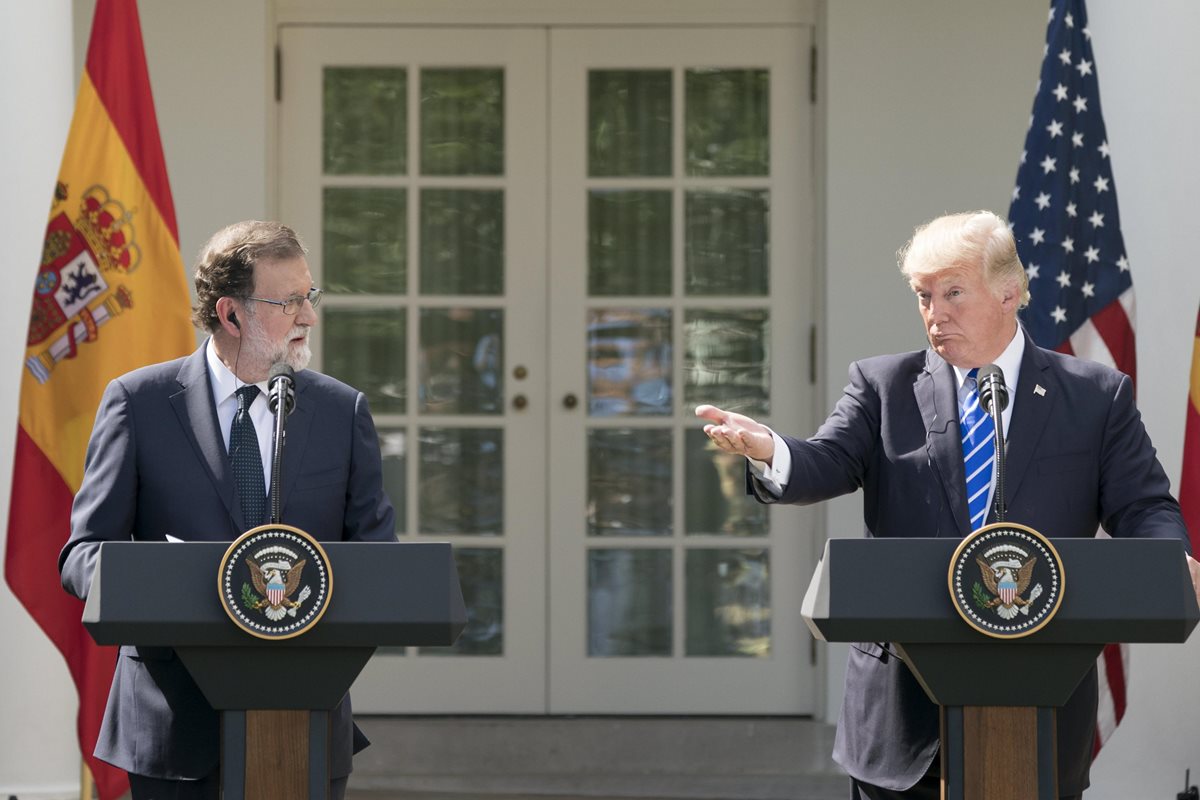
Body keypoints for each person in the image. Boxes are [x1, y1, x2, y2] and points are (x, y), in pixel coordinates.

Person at [696, 211, 1200, 800]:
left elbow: (1143, 506)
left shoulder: (1093, 395)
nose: (936, 313)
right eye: (924, 296)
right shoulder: (883, 386)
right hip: (901, 712)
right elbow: (825, 460)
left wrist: (1168, 561)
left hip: (1042, 698)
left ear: (1010, 292)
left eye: (953, 292)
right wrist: (770, 450)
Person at [59, 220, 396, 800]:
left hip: (304, 721)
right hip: (170, 723)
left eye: (308, 297)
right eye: (288, 302)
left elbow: (378, 562)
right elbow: (81, 555)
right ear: (231, 313)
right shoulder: (137, 404)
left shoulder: (342, 412)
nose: (308, 317)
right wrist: (162, 582)